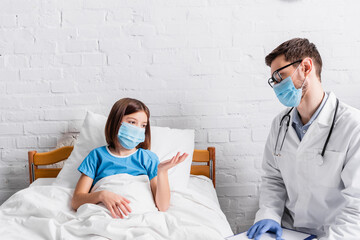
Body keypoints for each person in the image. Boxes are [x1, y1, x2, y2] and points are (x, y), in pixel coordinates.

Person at [247, 38, 360, 240]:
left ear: (306, 67)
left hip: (335, 234)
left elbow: (357, 208)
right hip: (288, 232)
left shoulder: (353, 126)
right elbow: (273, 179)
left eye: (280, 76)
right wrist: (269, 215)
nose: (276, 86)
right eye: (273, 80)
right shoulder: (280, 124)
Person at [71, 98, 188, 218]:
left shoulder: (148, 158)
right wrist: (102, 195)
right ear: (115, 122)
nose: (138, 129)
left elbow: (163, 206)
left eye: (143, 125)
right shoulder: (96, 156)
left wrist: (162, 171)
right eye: (132, 122)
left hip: (141, 216)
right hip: (103, 216)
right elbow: (76, 201)